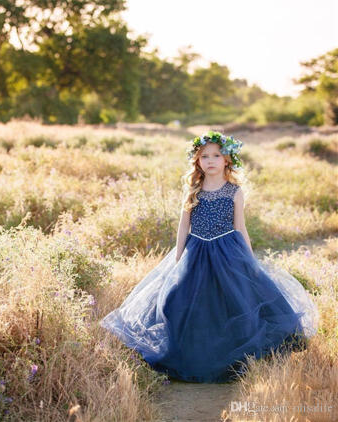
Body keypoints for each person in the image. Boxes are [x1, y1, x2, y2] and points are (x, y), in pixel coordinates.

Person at [99, 130, 319, 383]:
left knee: (235, 300)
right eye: (205, 156)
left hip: (228, 251)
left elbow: (240, 227)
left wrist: (250, 260)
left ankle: (235, 358)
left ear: (227, 160)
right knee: (176, 299)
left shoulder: (234, 191)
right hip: (196, 251)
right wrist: (177, 258)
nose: (211, 160)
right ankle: (185, 353)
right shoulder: (193, 191)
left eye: (216, 155)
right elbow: (183, 227)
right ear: (198, 161)